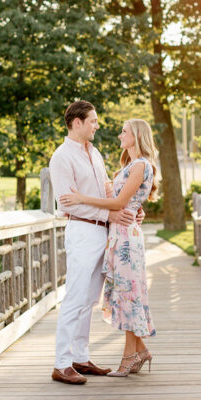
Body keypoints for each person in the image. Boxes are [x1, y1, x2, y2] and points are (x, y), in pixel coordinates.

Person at [60, 118, 158, 377]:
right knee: (125, 292)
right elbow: (121, 199)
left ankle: (129, 358)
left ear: (136, 136)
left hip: (126, 238)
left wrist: (80, 197)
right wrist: (135, 209)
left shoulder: (140, 165)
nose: (119, 136)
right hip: (118, 235)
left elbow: (118, 203)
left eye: (123, 132)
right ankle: (141, 351)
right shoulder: (129, 166)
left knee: (128, 293)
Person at [49, 100, 138, 385]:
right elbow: (68, 203)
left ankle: (80, 357)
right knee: (75, 296)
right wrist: (109, 213)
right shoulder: (62, 157)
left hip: (103, 232)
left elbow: (106, 189)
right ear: (78, 123)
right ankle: (61, 363)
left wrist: (128, 207)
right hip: (82, 231)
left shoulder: (95, 152)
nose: (97, 126)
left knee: (89, 299)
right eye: (93, 121)